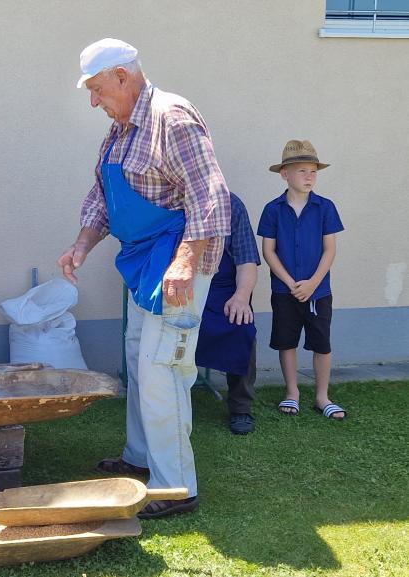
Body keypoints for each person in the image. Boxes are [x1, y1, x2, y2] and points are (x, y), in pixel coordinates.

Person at [58, 38, 230, 518]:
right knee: (138, 359)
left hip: (177, 262)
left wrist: (184, 262)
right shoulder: (119, 130)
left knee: (163, 369)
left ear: (122, 75)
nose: (94, 101)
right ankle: (139, 459)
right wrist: (82, 244)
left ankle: (176, 487)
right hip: (142, 262)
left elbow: (210, 194)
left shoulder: (172, 118)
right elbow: (102, 195)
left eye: (97, 89)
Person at [257, 140, 345, 420]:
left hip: (318, 291)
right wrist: (290, 281)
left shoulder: (325, 207)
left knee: (321, 342)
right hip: (285, 290)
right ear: (285, 174)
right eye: (302, 171)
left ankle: (322, 396)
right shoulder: (273, 210)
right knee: (287, 341)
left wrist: (312, 283)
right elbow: (268, 251)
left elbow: (330, 249)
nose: (309, 177)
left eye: (313, 172)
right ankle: (292, 392)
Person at [194, 192, 261, 435]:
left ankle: (241, 407)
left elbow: (247, 261)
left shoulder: (232, 205)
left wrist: (242, 297)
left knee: (241, 325)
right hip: (183, 286)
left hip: (223, 290)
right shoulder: (169, 200)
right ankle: (170, 400)